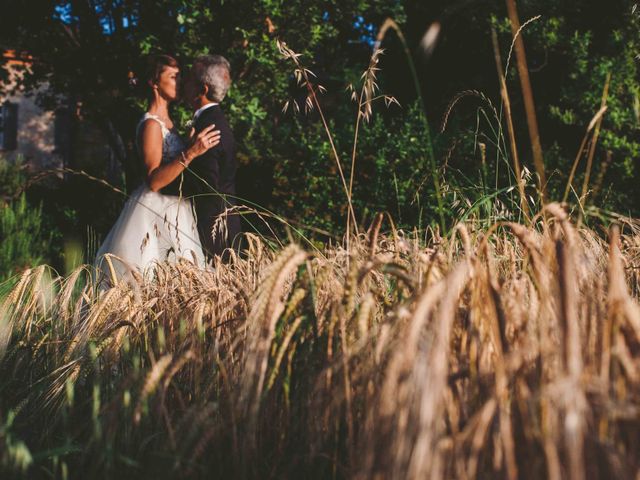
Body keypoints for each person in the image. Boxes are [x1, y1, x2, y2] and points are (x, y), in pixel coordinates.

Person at [95, 54, 221, 284]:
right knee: (150, 281)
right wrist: (191, 152)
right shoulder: (151, 124)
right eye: (173, 77)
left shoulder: (170, 124)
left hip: (178, 211)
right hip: (155, 214)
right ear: (154, 83)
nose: (180, 82)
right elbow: (153, 180)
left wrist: (189, 143)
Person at [162, 54, 242, 261]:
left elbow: (206, 188)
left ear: (202, 90)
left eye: (188, 79)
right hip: (222, 226)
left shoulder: (210, 130)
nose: (184, 84)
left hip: (214, 233)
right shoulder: (212, 123)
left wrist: (157, 187)